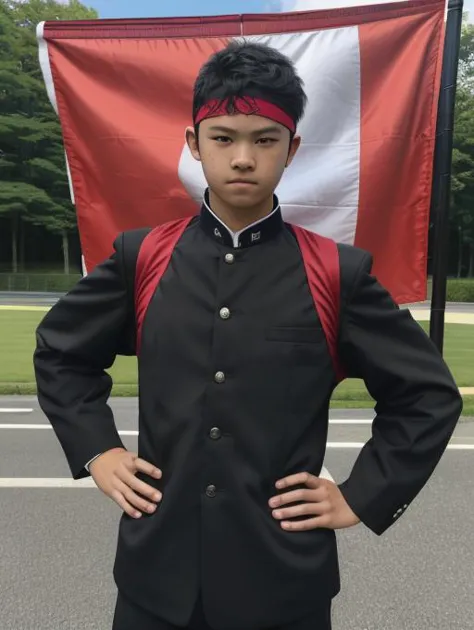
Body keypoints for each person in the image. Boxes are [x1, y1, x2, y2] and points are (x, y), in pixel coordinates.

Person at [33, 41, 462, 630]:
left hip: (283, 582)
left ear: (292, 150)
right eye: (223, 137)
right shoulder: (143, 258)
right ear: (193, 144)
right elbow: (61, 352)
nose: (242, 158)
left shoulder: (338, 272)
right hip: (155, 578)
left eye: (265, 140)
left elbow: (427, 395)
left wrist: (362, 495)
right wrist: (97, 449)